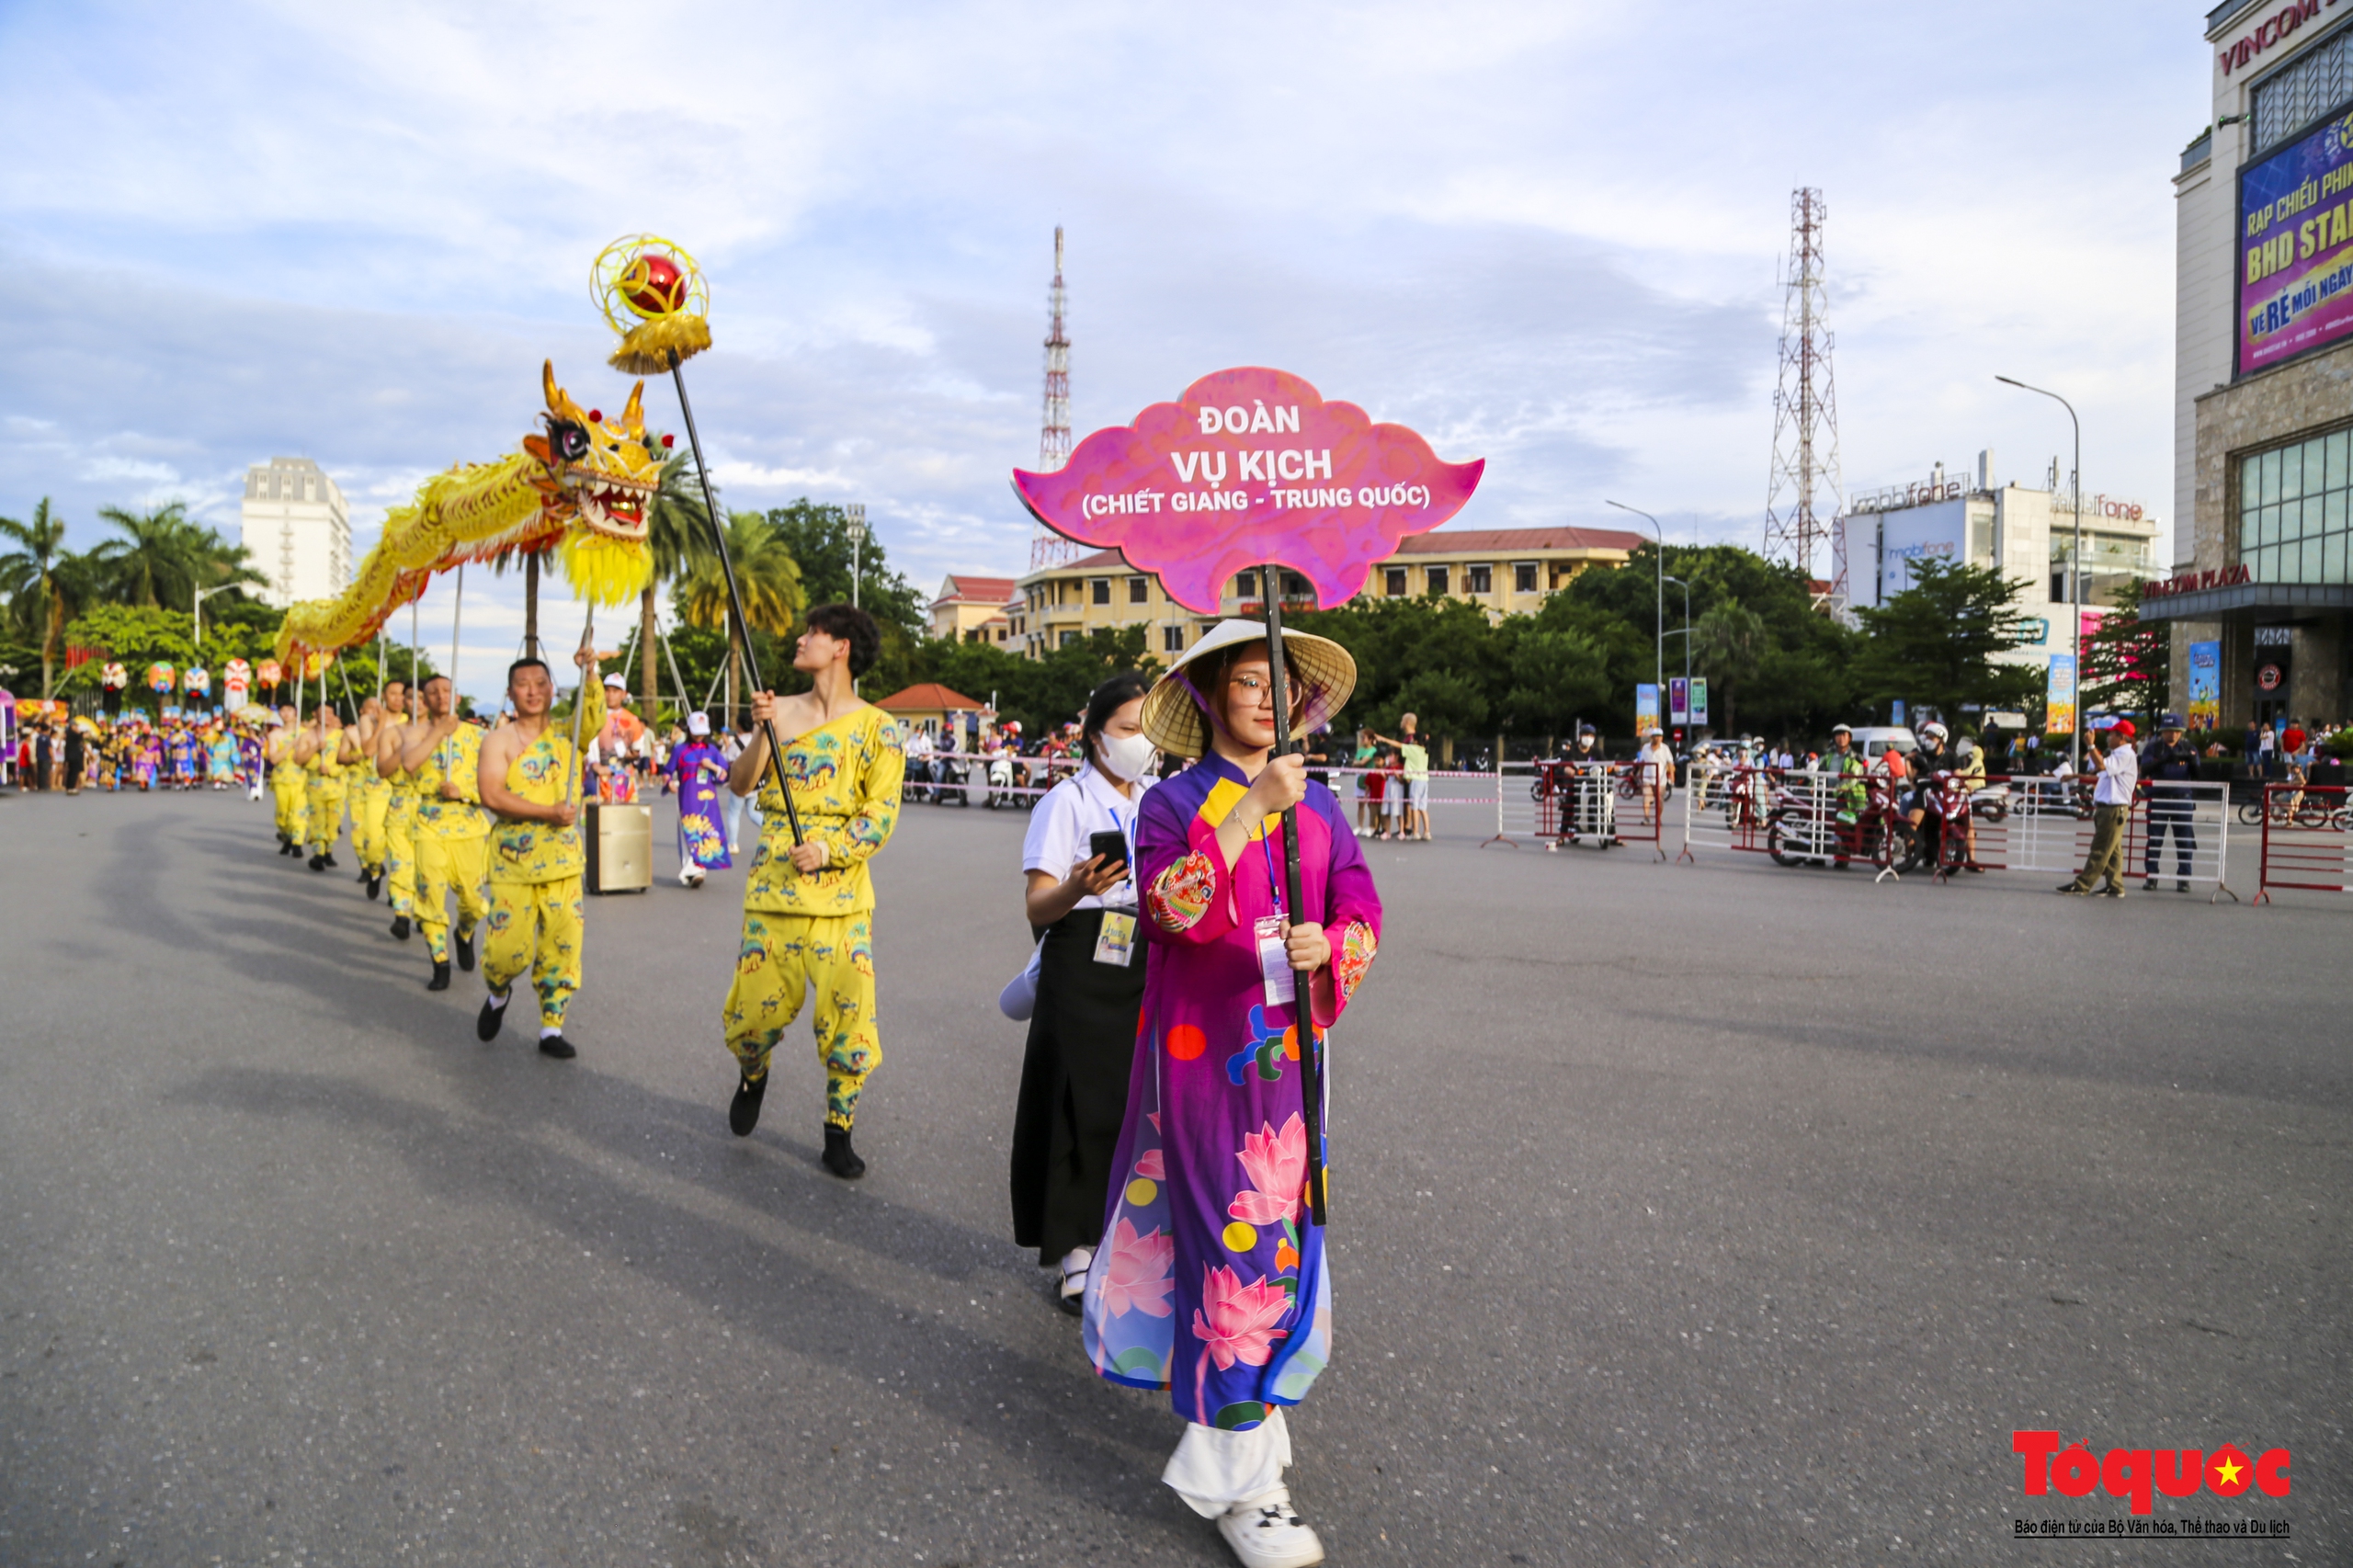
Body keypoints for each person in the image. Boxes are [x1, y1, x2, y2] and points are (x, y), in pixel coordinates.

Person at [1082, 619, 1380, 1567]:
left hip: (1290, 1059)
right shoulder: (1171, 802)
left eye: (1280, 683)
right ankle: (1245, 1483)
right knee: (1233, 1235)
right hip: (1203, 1059)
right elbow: (1172, 909)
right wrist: (1250, 808)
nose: (1267, 697)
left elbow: (1360, 902)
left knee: (1278, 1235)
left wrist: (1329, 945)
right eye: (1247, 680)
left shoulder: (1321, 805)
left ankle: (1247, 1426)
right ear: (1209, 695)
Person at [720, 605, 904, 1179]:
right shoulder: (778, 711)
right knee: (753, 1016)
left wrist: (828, 850)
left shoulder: (879, 727)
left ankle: (838, 1127)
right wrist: (761, 731)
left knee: (850, 1019)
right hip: (772, 888)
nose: (801, 639)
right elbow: (742, 783)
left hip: (843, 899)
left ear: (842, 646)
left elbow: (881, 812)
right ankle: (753, 1073)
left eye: (813, 633)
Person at [1010, 671, 1155, 1315]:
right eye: (1128, 730)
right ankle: (1074, 1253)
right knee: (1074, 1098)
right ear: (1097, 737)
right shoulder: (1065, 802)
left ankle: (1124, 1241)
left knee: (1130, 1103)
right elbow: (1038, 906)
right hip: (1079, 950)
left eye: (1148, 730)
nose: (1140, 743)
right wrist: (1077, 887)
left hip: (1143, 954)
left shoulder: (1160, 798)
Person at [473, 650, 603, 1060]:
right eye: (523, 684)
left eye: (540, 682)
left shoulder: (571, 731)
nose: (533, 690)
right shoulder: (498, 740)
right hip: (513, 863)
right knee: (505, 952)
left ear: (552, 688)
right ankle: (498, 993)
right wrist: (548, 811)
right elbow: (491, 795)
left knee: (562, 948)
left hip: (563, 863)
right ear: (510, 693)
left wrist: (591, 671)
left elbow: (596, 717)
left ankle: (551, 1025)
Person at [403, 675, 490, 992]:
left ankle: (464, 934)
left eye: (446, 690)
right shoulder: (415, 734)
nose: (440, 696)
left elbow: (495, 783)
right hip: (429, 824)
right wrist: (438, 733)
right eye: (432, 692)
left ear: (457, 697)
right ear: (424, 700)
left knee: (473, 900)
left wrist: (463, 791)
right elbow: (410, 764)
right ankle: (439, 961)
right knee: (430, 895)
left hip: (468, 824)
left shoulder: (479, 736)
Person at [2060, 720, 2137, 896]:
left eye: (2112, 734)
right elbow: (2101, 774)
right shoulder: (2119, 754)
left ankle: (2082, 885)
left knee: (2100, 849)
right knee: (2113, 851)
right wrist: (2076, 775)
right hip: (2110, 808)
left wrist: (2090, 745)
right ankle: (2115, 886)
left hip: (2113, 808)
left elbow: (2101, 766)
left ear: (2122, 737)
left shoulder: (2124, 754)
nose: (2108, 737)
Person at [374, 681, 422, 940]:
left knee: (426, 868)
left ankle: (427, 914)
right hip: (400, 805)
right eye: (412, 698)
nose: (418, 703)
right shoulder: (392, 734)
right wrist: (404, 751)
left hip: (432, 810)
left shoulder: (444, 734)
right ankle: (402, 914)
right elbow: (381, 770)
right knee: (401, 862)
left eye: (423, 698)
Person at [666, 710, 733, 888]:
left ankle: (698, 867)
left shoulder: (712, 750)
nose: (699, 736)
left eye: (702, 732)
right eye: (696, 732)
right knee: (688, 829)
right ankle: (693, 868)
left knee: (708, 830)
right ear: (689, 730)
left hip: (708, 798)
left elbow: (724, 774)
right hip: (686, 796)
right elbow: (667, 772)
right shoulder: (680, 750)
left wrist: (712, 767)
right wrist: (670, 784)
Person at [2141, 713, 2200, 892]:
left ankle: (2184, 879)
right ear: (2162, 731)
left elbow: (2198, 776)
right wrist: (2164, 760)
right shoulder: (2153, 748)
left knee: (2184, 841)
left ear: (2181, 732)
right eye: (2168, 731)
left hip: (2182, 799)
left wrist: (2191, 761)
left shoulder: (2189, 747)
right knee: (2155, 840)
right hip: (2158, 798)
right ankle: (2152, 877)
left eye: (2176, 731)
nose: (2172, 735)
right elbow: (2145, 770)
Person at [342, 695, 392, 896]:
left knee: (392, 838)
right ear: (362, 711)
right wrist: (357, 755)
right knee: (362, 833)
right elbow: (344, 756)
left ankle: (397, 890)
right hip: (359, 788)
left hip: (387, 787)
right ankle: (369, 866)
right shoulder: (353, 731)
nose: (374, 711)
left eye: (377, 707)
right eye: (369, 708)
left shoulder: (393, 727)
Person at [294, 710, 347, 872]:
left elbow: (348, 758)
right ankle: (318, 853)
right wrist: (316, 747)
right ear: (315, 715)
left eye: (330, 713)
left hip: (336, 785)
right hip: (315, 785)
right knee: (317, 820)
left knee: (333, 822)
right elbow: (298, 759)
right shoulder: (307, 736)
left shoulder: (341, 735)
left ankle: (328, 849)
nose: (326, 716)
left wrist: (331, 770)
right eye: (322, 713)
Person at [1370, 714, 1431, 841]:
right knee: (1421, 807)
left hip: (1412, 778)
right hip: (1424, 779)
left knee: (1411, 805)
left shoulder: (1412, 745)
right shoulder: (1424, 750)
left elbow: (1398, 745)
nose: (1401, 722)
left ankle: (1413, 830)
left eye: (1403, 720)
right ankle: (1426, 831)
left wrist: (1384, 739)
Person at [267, 707, 307, 853]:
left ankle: (297, 843)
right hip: (281, 778)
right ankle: (286, 836)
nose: (286, 714)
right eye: (283, 711)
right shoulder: (274, 735)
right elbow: (274, 758)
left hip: (301, 778)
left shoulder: (304, 733)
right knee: (282, 814)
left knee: (299, 812)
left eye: (290, 710)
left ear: (296, 713)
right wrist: (290, 745)